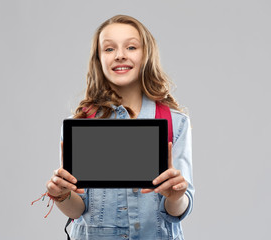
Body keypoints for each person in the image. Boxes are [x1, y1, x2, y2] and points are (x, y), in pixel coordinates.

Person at [46, 15, 194, 240]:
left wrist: (175, 196)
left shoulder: (176, 123)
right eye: (109, 49)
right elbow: (78, 210)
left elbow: (180, 209)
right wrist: (62, 195)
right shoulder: (79, 125)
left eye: (131, 46)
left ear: (146, 55)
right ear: (99, 59)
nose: (120, 55)